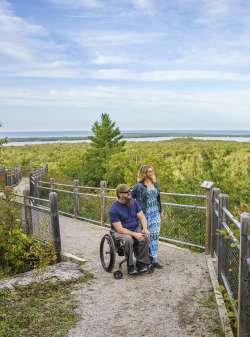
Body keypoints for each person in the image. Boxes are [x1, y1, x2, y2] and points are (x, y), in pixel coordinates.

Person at [109, 183, 150, 275]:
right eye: (126, 192)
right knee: (128, 240)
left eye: (130, 191)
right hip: (120, 231)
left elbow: (142, 217)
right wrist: (135, 234)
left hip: (134, 228)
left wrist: (144, 228)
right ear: (119, 194)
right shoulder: (114, 209)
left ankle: (141, 263)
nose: (129, 193)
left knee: (145, 236)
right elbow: (120, 229)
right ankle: (130, 265)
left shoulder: (134, 202)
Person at [132, 165, 163, 269]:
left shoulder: (155, 184)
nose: (151, 173)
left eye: (152, 171)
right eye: (149, 171)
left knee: (155, 236)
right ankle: (146, 259)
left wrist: (161, 211)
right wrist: (134, 211)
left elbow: (158, 199)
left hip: (155, 213)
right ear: (144, 173)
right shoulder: (138, 186)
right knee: (146, 236)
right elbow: (130, 198)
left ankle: (154, 259)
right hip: (144, 214)